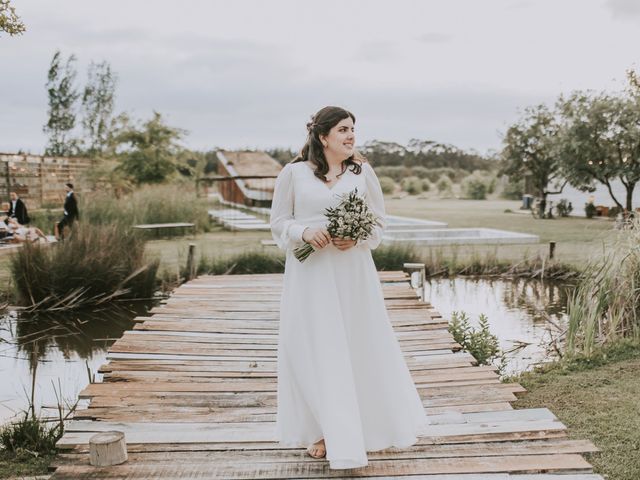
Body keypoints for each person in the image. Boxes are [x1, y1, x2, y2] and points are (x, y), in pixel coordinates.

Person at [269, 106, 430, 470]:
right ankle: (325, 429)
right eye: (343, 129)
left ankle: (361, 426)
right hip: (311, 272)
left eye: (353, 129)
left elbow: (379, 220)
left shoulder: (362, 172)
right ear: (323, 136)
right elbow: (279, 221)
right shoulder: (293, 173)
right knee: (314, 347)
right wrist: (303, 231)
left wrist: (357, 235)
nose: (351, 135)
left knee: (357, 343)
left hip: (352, 271)